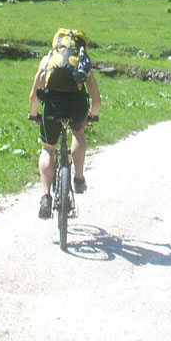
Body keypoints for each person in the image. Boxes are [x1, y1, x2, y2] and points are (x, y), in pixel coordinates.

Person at [28, 32, 102, 219]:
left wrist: (34, 114)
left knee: (48, 148)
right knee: (78, 133)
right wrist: (92, 116)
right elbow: (96, 99)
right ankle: (79, 179)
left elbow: (33, 95)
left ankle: (46, 197)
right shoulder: (83, 62)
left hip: (52, 105)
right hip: (77, 105)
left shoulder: (47, 60)